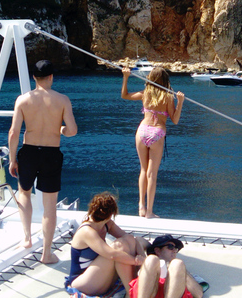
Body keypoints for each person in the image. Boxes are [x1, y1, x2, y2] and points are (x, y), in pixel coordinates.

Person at [8, 59, 78, 264]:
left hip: (28, 152)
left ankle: (27, 238)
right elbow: (72, 131)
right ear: (51, 77)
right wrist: (60, 130)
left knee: (24, 193)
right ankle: (46, 254)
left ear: (34, 78)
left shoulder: (23, 100)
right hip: (51, 154)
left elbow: (13, 133)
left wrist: (13, 160)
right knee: (49, 206)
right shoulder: (62, 100)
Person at [121, 66, 185, 218]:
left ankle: (141, 207)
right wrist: (180, 101)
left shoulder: (145, 94)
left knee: (143, 170)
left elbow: (125, 95)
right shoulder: (168, 97)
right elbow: (175, 120)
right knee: (152, 174)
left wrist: (126, 77)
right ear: (165, 81)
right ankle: (149, 212)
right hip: (157, 132)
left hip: (142, 130)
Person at [65, 192, 147, 297]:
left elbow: (132, 240)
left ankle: (133, 287)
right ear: (110, 214)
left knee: (128, 239)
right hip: (83, 282)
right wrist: (136, 261)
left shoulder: (107, 225)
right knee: (118, 247)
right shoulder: (86, 231)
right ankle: (131, 293)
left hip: (99, 277)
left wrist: (143, 259)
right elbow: (112, 255)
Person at [129, 234, 204, 298]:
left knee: (177, 263)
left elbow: (198, 294)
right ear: (158, 250)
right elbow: (139, 240)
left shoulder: (181, 270)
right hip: (147, 291)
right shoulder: (148, 262)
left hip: (171, 291)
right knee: (152, 259)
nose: (174, 250)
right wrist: (153, 253)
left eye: (176, 248)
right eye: (170, 247)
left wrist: (178, 269)